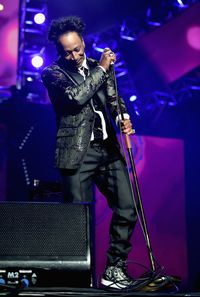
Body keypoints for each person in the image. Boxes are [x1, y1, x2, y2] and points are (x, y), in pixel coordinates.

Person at [41, 16, 137, 290]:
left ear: (83, 42)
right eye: (66, 52)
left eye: (77, 49)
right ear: (59, 52)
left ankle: (114, 270)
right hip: (76, 153)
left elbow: (114, 98)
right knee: (77, 220)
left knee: (127, 209)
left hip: (107, 149)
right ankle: (78, 280)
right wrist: (103, 68)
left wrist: (122, 118)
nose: (73, 56)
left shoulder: (98, 66)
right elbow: (76, 97)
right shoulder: (52, 73)